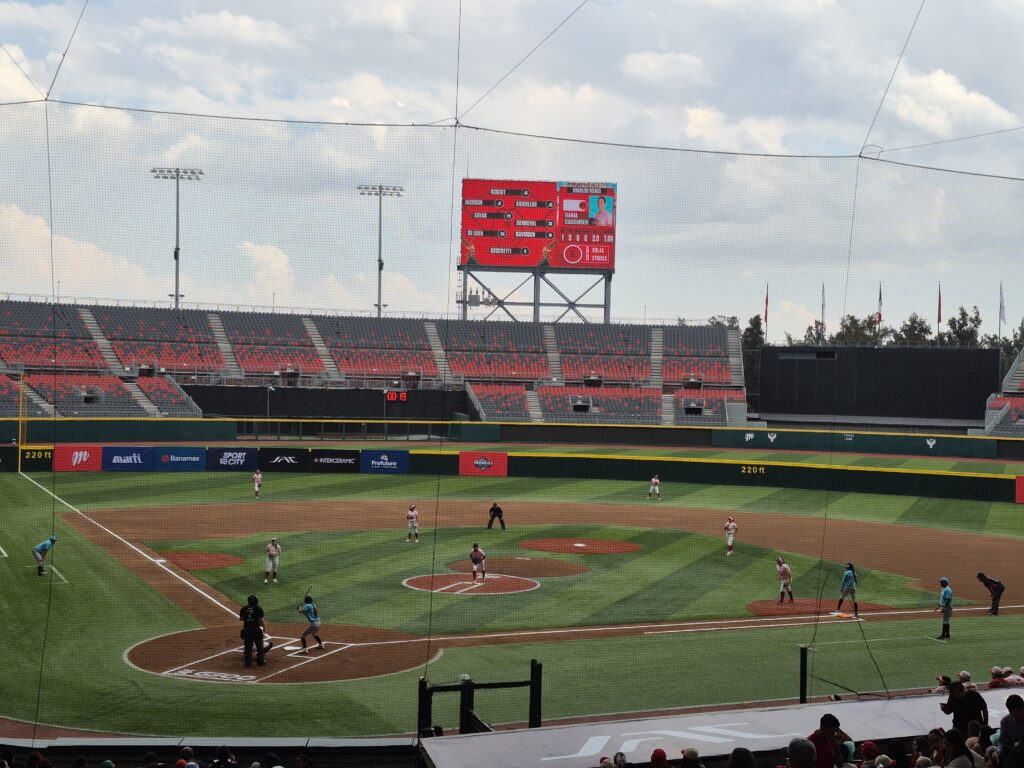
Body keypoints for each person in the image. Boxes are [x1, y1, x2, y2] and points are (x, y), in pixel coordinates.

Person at [239, 594, 266, 667]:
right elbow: (260, 620)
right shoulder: (258, 608)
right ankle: (260, 661)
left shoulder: (244, 608)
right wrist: (264, 628)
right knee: (260, 647)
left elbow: (241, 619)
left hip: (247, 630)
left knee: (248, 648)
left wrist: (248, 618)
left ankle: (248, 663)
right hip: (256, 630)